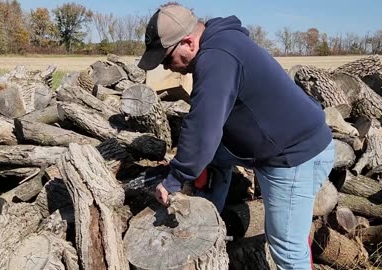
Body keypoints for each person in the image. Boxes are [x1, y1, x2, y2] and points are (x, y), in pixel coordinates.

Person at [137, 3, 335, 269]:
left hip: (292, 158)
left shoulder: (216, 58)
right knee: (215, 155)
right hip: (293, 142)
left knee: (287, 249)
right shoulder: (222, 39)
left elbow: (203, 126)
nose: (167, 67)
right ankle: (208, 215)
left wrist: (175, 178)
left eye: (166, 58)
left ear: (187, 42)